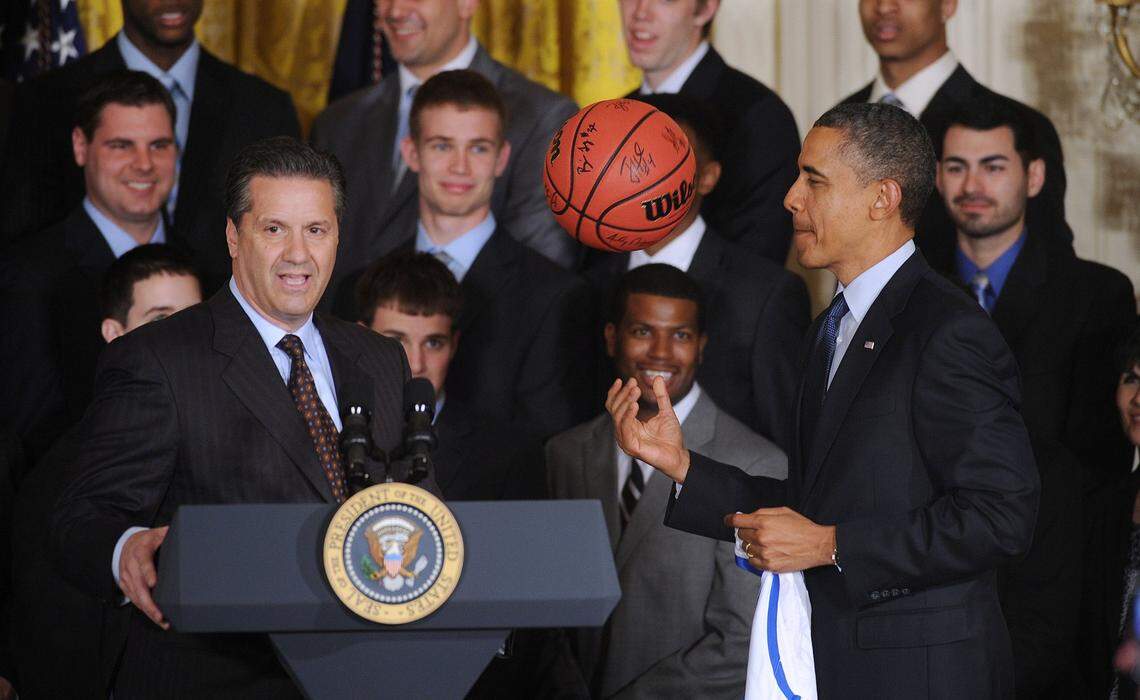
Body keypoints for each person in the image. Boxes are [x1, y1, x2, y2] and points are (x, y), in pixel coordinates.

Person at [607, 102, 1040, 698]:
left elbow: (1002, 516)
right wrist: (683, 467)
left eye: (813, 180)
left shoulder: (948, 331)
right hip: (832, 663)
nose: (790, 198)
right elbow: (814, 505)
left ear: (882, 199)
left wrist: (832, 546)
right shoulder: (828, 329)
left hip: (924, 676)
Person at [51, 137, 409, 698]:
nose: (297, 254)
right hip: (212, 675)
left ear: (338, 236)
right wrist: (127, 551)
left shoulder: (380, 359)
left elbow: (418, 512)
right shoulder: (158, 359)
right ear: (232, 237)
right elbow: (82, 519)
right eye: (274, 229)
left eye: (315, 230)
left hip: (367, 673)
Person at [549, 264, 786, 698]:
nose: (661, 352)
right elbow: (551, 613)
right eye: (643, 331)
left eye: (680, 335)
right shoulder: (565, 453)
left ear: (701, 347)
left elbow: (742, 638)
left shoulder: (757, 463)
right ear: (610, 337)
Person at [338, 69, 592, 440]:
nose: (460, 166)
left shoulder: (556, 297)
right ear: (411, 152)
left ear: (502, 158)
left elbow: (553, 449)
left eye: (478, 148)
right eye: (442, 145)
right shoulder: (354, 288)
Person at [10, 244, 202, 700]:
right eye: (160, 321)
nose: (182, 339)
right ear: (115, 333)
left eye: (194, 321)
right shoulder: (72, 464)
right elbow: (49, 623)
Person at [1, 0, 301, 289]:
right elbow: (22, 235)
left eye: (159, 145)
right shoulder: (46, 100)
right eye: (121, 145)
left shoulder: (266, 109)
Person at [582, 93, 809, 451]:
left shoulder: (766, 294)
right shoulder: (586, 286)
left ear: (708, 177)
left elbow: (785, 443)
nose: (648, 174)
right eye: (637, 158)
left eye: (669, 160)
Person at [311, 0, 579, 290]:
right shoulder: (337, 122)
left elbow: (538, 283)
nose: (396, 12)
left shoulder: (541, 116)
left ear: (467, 4)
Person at [0, 70, 178, 462]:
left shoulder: (215, 265)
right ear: (81, 146)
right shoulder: (27, 277)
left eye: (159, 145)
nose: (144, 164)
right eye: (121, 146)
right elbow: (29, 436)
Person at [841, 0, 1069, 273]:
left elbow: (1050, 270)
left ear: (947, 5)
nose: (885, 6)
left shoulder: (1019, 126)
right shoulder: (841, 120)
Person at [618, 0, 799, 264]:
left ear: (705, 9)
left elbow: (756, 268)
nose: (640, 13)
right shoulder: (616, 115)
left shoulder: (759, 115)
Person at [356, 249, 542, 500]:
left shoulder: (506, 455)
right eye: (396, 342)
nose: (416, 363)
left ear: (453, 345)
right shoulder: (324, 436)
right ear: (360, 339)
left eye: (433, 343)